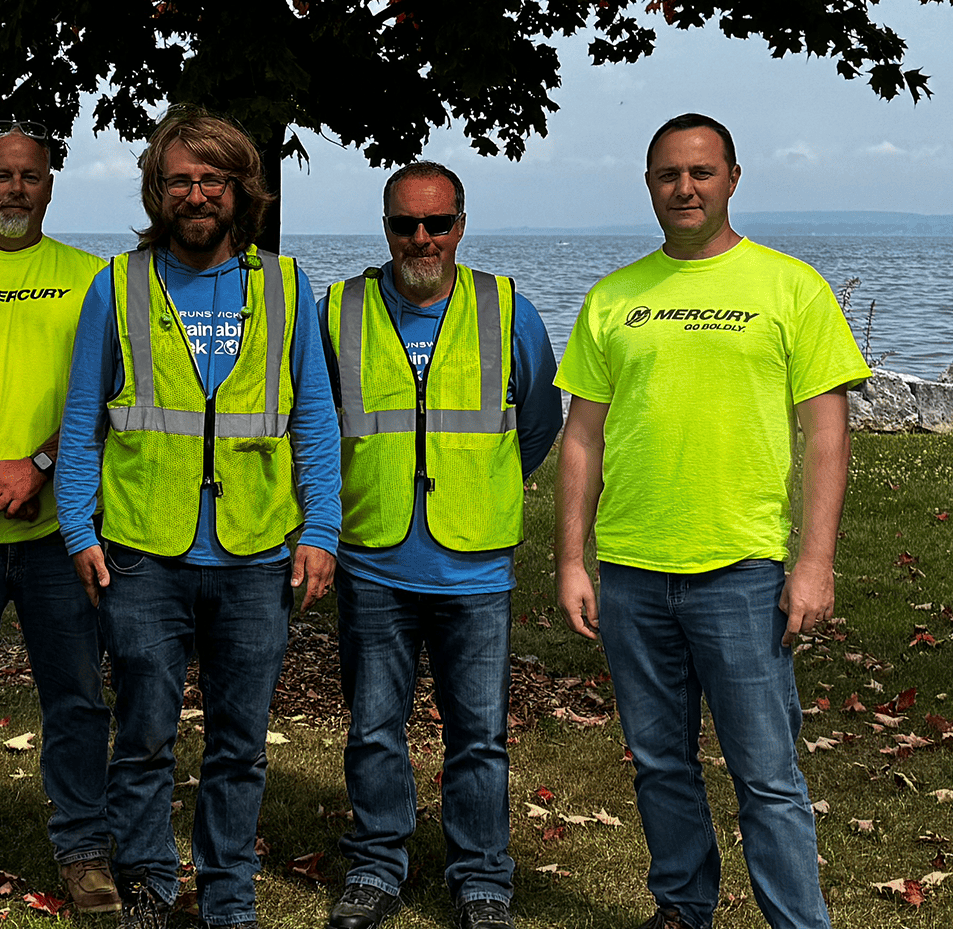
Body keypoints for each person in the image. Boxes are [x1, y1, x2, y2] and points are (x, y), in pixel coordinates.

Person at [554, 114, 868, 929]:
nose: (684, 188)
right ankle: (682, 908)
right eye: (668, 174)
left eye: (700, 172)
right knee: (660, 764)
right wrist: (572, 560)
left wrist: (815, 561)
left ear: (732, 178)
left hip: (743, 571)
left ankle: (798, 921)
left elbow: (826, 433)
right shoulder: (614, 298)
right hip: (633, 570)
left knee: (766, 774)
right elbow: (582, 437)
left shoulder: (790, 287)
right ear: (649, 185)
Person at [59, 109, 341, 929]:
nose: (196, 194)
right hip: (143, 551)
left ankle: (227, 897)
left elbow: (313, 421)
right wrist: (78, 528)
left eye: (212, 179)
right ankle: (150, 884)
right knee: (143, 735)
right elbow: (82, 420)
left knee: (240, 744)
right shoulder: (116, 286)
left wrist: (321, 529)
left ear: (240, 189)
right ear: (158, 190)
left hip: (256, 553)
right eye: (179, 179)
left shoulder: (285, 286)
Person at [317, 163, 560, 929]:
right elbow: (315, 427)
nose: (421, 238)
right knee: (373, 730)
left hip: (475, 565)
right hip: (371, 559)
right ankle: (375, 869)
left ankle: (482, 883)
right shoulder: (337, 311)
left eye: (437, 223)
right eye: (405, 224)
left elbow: (538, 423)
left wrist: (482, 488)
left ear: (461, 225)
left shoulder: (508, 310)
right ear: (385, 227)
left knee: (479, 738)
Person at [0, 121, 113, 913]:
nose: (15, 189)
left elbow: (108, 395)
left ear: (49, 186)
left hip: (57, 532)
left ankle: (83, 849)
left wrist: (38, 466)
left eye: (30, 176)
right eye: (0, 175)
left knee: (74, 697)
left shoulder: (92, 278)